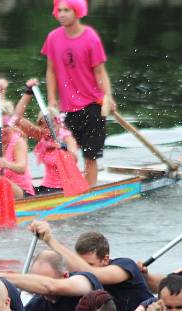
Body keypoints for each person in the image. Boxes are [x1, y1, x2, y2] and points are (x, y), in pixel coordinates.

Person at [42, 0, 115, 187]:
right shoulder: (53, 38)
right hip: (67, 108)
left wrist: (108, 97)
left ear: (77, 12)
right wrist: (51, 99)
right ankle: (69, 187)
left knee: (90, 157)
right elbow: (50, 71)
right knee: (65, 153)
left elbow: (100, 72)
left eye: (66, 10)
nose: (61, 14)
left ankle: (88, 194)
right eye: (59, 10)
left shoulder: (91, 38)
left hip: (93, 105)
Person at [29, 220, 152, 311]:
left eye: (89, 264)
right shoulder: (77, 278)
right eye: (78, 262)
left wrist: (49, 240)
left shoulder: (125, 266)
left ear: (105, 259)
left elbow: (90, 273)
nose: (80, 270)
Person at [14, 79, 81, 193]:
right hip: (47, 186)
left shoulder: (66, 137)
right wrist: (28, 93)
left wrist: (63, 147)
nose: (48, 130)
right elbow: (16, 119)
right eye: (44, 126)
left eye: (51, 125)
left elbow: (74, 158)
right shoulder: (42, 135)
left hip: (66, 187)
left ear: (58, 122)